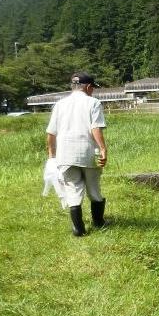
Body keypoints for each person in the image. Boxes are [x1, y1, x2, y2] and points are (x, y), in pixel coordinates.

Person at [46, 72, 108, 237]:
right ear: (88, 87)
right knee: (94, 189)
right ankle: (98, 222)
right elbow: (95, 128)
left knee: (73, 189)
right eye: (93, 88)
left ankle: (78, 229)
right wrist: (103, 148)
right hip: (88, 152)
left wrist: (51, 156)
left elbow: (51, 133)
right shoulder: (93, 102)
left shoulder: (60, 104)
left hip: (65, 155)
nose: (93, 91)